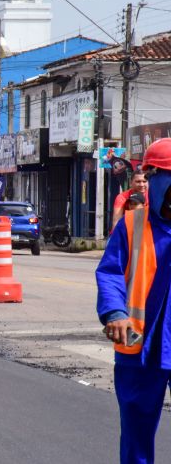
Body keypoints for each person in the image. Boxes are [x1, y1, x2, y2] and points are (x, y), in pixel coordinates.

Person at [96, 138, 171, 463]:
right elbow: (110, 273)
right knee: (137, 439)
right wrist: (114, 312)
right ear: (151, 178)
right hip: (140, 348)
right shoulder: (132, 224)